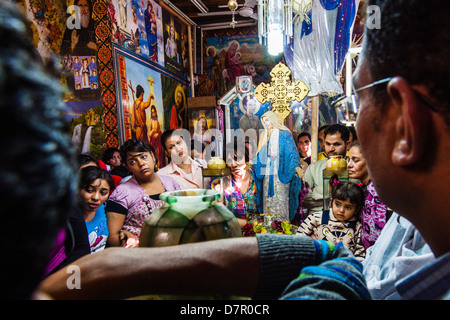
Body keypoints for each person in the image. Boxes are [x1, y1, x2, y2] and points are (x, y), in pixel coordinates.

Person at [105, 139, 180, 247]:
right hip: (140, 254)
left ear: (153, 157)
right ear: (127, 167)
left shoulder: (171, 183)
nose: (141, 164)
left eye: (144, 157)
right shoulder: (123, 193)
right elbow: (112, 237)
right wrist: (125, 240)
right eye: (132, 162)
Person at [296, 181, 366, 262]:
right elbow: (299, 238)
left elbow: (359, 254)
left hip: (342, 267)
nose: (341, 210)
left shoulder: (357, 227)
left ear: (357, 209)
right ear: (331, 202)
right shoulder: (317, 217)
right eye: (338, 204)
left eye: (348, 207)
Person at [252, 111, 302, 222]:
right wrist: (253, 163)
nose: (266, 123)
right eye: (264, 121)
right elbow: (261, 152)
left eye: (267, 120)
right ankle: (269, 224)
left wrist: (296, 167)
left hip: (281, 170)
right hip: (267, 169)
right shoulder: (265, 134)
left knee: (281, 196)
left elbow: (291, 152)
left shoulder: (284, 133)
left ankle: (282, 224)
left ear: (273, 119)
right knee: (267, 197)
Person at [347, 143, 392, 248]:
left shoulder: (380, 189)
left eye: (356, 160)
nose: (349, 164)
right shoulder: (364, 188)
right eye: (348, 159)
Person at [302, 124, 350, 214]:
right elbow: (304, 200)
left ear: (347, 144)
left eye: (336, 144)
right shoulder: (313, 168)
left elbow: (355, 200)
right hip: (317, 222)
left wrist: (317, 191)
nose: (331, 149)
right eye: (328, 144)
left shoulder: (353, 168)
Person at [78, 166, 115, 253]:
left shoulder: (105, 210)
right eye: (90, 190)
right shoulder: (66, 219)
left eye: (103, 193)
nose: (96, 197)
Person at [223, 142, 259, 228]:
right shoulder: (224, 185)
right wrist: (254, 223)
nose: (234, 164)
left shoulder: (258, 180)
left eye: (237, 158)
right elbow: (223, 217)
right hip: (234, 235)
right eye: (229, 161)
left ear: (246, 159)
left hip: (260, 234)